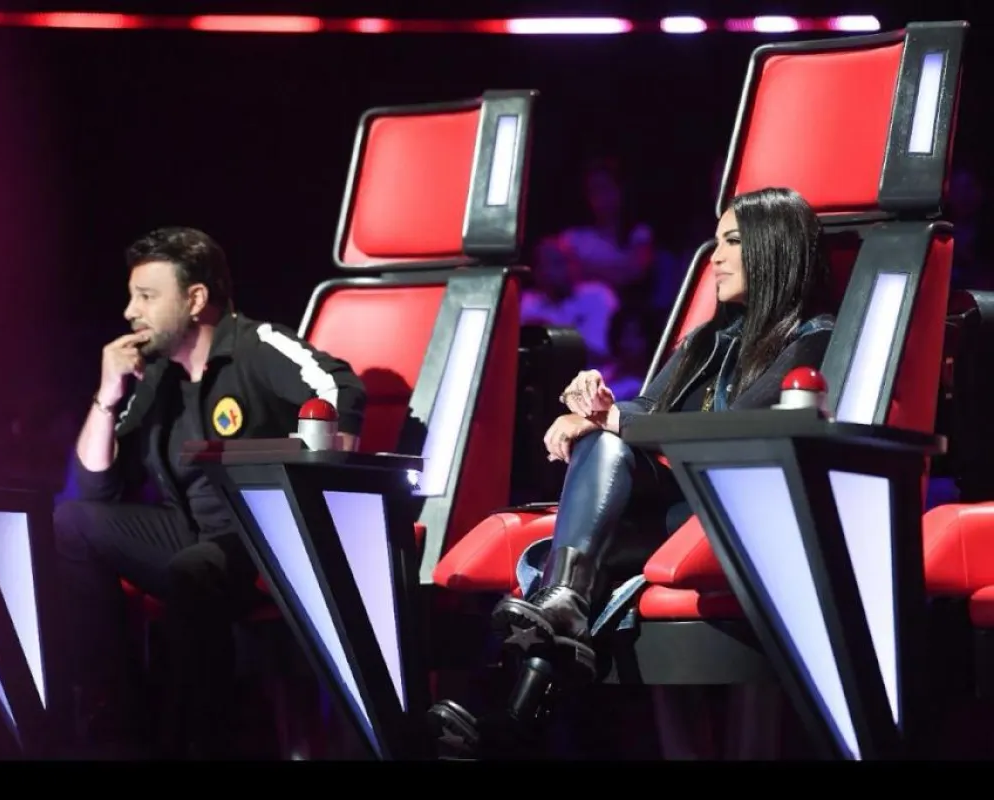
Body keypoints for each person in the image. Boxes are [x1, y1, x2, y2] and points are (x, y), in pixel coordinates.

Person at [427, 186, 837, 758]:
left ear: (775, 249)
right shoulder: (707, 340)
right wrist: (599, 409)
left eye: (732, 242)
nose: (715, 257)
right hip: (674, 511)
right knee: (595, 481)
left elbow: (737, 426)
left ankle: (519, 706)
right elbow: (650, 407)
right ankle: (558, 615)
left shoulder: (814, 337)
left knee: (583, 530)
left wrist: (614, 420)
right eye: (715, 242)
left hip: (739, 511)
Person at [52, 227, 366, 758]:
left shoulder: (255, 344)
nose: (130, 312)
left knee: (191, 571)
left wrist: (323, 472)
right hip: (192, 533)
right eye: (132, 297)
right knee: (72, 523)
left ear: (195, 298)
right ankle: (116, 718)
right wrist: (107, 395)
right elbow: (94, 484)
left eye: (146, 296)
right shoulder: (157, 377)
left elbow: (340, 388)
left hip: (262, 539)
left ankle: (197, 742)